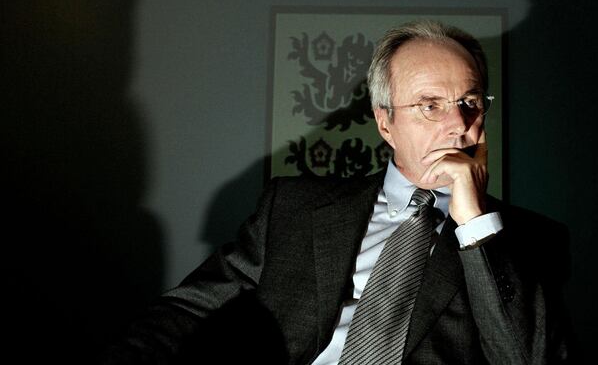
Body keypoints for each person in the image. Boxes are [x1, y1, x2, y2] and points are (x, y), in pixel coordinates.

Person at [104, 20, 572, 364]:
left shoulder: (527, 242)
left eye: (469, 103)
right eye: (430, 106)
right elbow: (188, 310)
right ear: (385, 122)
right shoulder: (293, 208)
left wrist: (473, 224)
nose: (458, 125)